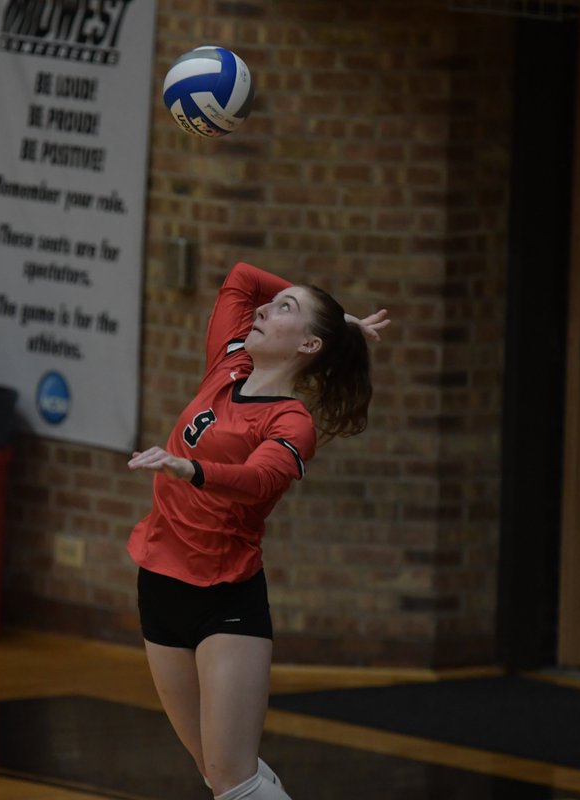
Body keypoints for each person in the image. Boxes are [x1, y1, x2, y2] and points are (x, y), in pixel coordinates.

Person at [126, 261, 390, 800]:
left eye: (285, 308)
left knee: (234, 780)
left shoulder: (292, 422)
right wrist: (340, 319)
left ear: (309, 345)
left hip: (225, 599)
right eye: (276, 302)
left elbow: (258, 481)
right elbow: (243, 278)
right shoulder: (229, 363)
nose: (266, 309)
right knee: (216, 771)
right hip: (160, 582)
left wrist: (189, 468)